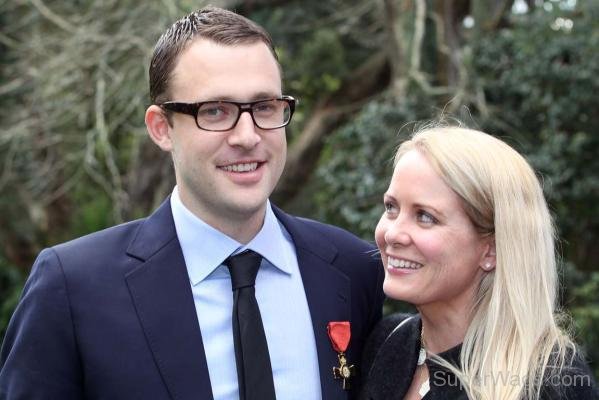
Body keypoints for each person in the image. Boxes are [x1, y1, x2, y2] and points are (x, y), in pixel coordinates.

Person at [0, 7, 385, 400]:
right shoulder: (73, 287)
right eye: (215, 111)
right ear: (161, 128)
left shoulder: (353, 270)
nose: (248, 136)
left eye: (265, 106)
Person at [359, 126, 599, 400]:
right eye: (391, 207)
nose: (392, 234)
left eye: (425, 216)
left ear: (491, 250)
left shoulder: (550, 383)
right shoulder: (388, 341)